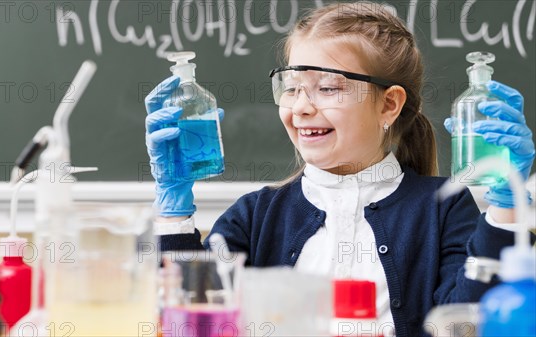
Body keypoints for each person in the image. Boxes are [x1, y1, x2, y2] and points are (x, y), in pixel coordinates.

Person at [144, 2, 535, 337]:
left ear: (388, 105)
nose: (301, 107)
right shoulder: (256, 216)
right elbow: (191, 324)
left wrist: (506, 211)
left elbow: (471, 322)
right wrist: (174, 213)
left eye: (328, 88)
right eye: (292, 86)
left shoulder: (443, 209)